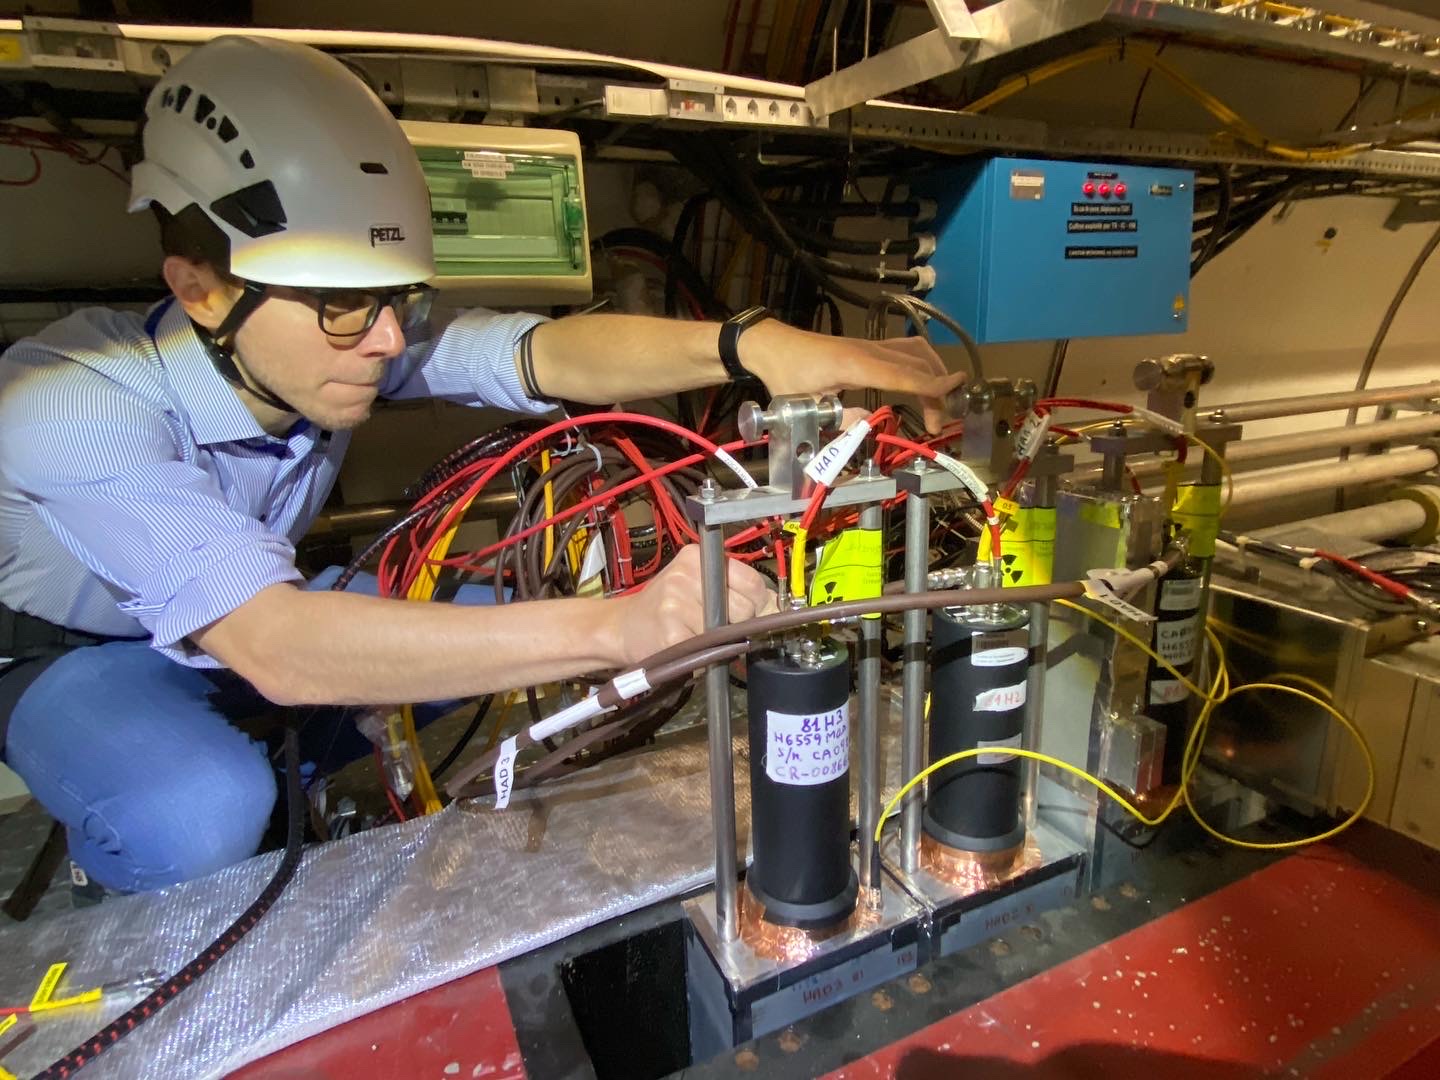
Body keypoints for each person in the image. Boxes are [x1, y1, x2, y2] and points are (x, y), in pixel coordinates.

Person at [0, 35, 962, 893]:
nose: (385, 340)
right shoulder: (67, 400)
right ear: (200, 289)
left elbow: (543, 354)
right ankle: (148, 844)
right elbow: (277, 645)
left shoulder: (326, 341)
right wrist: (616, 626)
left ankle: (291, 773)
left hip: (269, 618)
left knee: (503, 629)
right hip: (92, 657)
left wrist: (759, 345)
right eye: (344, 306)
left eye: (401, 299)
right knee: (200, 812)